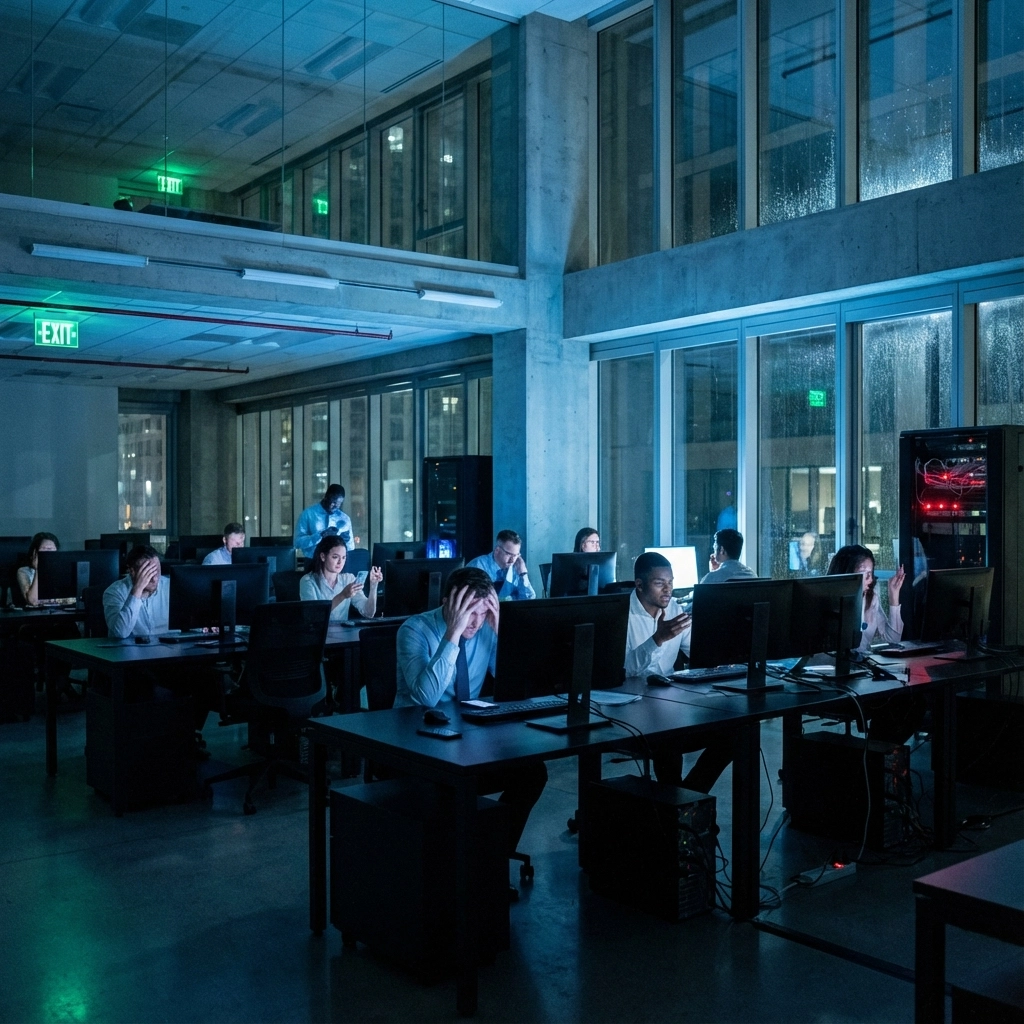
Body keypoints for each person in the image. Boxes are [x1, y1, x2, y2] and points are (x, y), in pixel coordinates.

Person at [396, 566, 547, 861]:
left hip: (467, 737)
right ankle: (458, 863)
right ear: (448, 604)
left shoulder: (486, 628)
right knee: (450, 786)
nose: (476, 622)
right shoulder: (414, 630)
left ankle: (492, 858)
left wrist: (503, 631)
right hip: (418, 740)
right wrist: (453, 633)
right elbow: (426, 698)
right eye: (469, 613)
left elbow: (519, 686)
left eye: (482, 612)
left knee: (532, 773)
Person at [625, 551, 732, 793]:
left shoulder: (674, 609)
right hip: (633, 707)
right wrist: (657, 639)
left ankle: (687, 798)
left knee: (735, 732)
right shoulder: (622, 614)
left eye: (670, 582)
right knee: (669, 740)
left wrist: (723, 655)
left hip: (669, 702)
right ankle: (681, 805)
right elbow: (622, 670)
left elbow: (698, 652)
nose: (668, 589)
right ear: (639, 585)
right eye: (659, 583)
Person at [827, 544, 905, 653]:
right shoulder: (827, 601)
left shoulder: (871, 598)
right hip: (830, 662)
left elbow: (893, 640)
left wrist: (894, 594)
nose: (870, 579)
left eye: (870, 573)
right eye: (863, 573)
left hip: (859, 662)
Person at [299, 535, 381, 622]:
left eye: (343, 557)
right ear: (323, 557)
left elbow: (368, 613)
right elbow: (314, 618)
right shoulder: (308, 581)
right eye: (335, 557)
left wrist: (373, 586)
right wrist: (342, 595)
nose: (340, 562)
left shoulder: (348, 579)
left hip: (342, 630)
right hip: (319, 630)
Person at [102, 545, 170, 638]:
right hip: (129, 646)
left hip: (167, 646)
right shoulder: (114, 592)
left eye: (156, 572)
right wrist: (138, 589)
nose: (155, 579)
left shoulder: (170, 587)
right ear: (132, 571)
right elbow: (120, 633)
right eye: (148, 574)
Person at [468, 530, 535, 601]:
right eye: (509, 554)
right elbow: (470, 599)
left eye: (515, 555)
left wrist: (523, 574)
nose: (512, 560)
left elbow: (529, 599)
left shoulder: (516, 568)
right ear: (497, 550)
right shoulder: (476, 566)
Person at [294, 484, 354, 559]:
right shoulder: (308, 514)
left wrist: (345, 542)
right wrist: (320, 536)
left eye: (339, 503)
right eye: (333, 502)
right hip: (313, 561)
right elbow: (297, 543)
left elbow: (351, 548)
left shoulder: (345, 518)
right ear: (325, 497)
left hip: (338, 563)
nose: (336, 506)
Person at [17, 532, 59, 606]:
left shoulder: (60, 571)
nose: (49, 552)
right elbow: (33, 601)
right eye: (44, 548)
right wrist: (38, 569)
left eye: (52, 549)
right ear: (35, 552)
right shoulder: (24, 571)